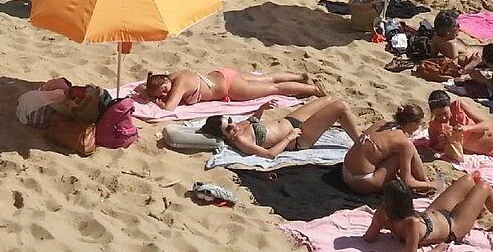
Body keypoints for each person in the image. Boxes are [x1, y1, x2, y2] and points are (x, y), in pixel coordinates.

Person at [363, 175, 493, 252]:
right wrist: (435, 251)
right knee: (484, 187)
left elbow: (369, 237)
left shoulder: (383, 213)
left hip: (433, 213)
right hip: (453, 227)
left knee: (467, 180)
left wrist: (378, 223)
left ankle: (477, 209)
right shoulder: (411, 223)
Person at [200, 95, 364, 160]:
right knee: (340, 107)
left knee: (330, 100)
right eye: (228, 129)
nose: (233, 125)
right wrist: (289, 137)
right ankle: (361, 143)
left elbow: (252, 120)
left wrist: (262, 108)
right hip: (299, 138)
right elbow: (270, 154)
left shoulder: (238, 126)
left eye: (230, 120)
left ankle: (354, 129)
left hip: (290, 121)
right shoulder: (242, 141)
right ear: (225, 136)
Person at [341, 103, 436, 195]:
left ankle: (424, 180)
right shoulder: (403, 142)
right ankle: (425, 183)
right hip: (361, 182)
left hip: (345, 170)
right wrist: (430, 185)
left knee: (404, 149)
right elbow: (407, 182)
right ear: (412, 123)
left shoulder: (381, 124)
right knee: (406, 150)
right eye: (418, 124)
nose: (418, 127)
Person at [140, 68, 322, 110]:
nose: (165, 93)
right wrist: (150, 92)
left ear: (166, 80)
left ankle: (313, 90)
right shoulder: (174, 75)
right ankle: (299, 77)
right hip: (223, 74)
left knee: (274, 88)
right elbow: (143, 86)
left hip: (230, 87)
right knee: (267, 78)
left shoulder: (180, 84)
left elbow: (169, 108)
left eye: (164, 89)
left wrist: (156, 101)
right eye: (162, 93)